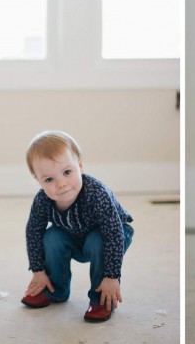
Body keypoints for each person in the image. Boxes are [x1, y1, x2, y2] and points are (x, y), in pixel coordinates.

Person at [22, 131, 134, 322]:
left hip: (112, 235)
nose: (61, 184)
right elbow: (33, 232)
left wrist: (112, 276)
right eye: (49, 179)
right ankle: (55, 288)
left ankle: (101, 299)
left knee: (97, 239)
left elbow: (113, 233)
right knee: (51, 236)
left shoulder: (96, 194)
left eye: (67, 172)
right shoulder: (42, 200)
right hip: (73, 235)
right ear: (38, 180)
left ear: (80, 166)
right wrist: (38, 271)